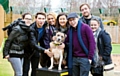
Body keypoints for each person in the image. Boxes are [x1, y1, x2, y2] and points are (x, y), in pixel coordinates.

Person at [23, 12, 53, 76]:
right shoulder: (31, 28)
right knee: (25, 70)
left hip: (36, 51)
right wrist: (45, 51)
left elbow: (45, 41)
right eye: (39, 18)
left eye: (43, 19)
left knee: (35, 70)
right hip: (27, 51)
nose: (41, 20)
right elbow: (33, 44)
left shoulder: (45, 26)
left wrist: (49, 49)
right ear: (35, 19)